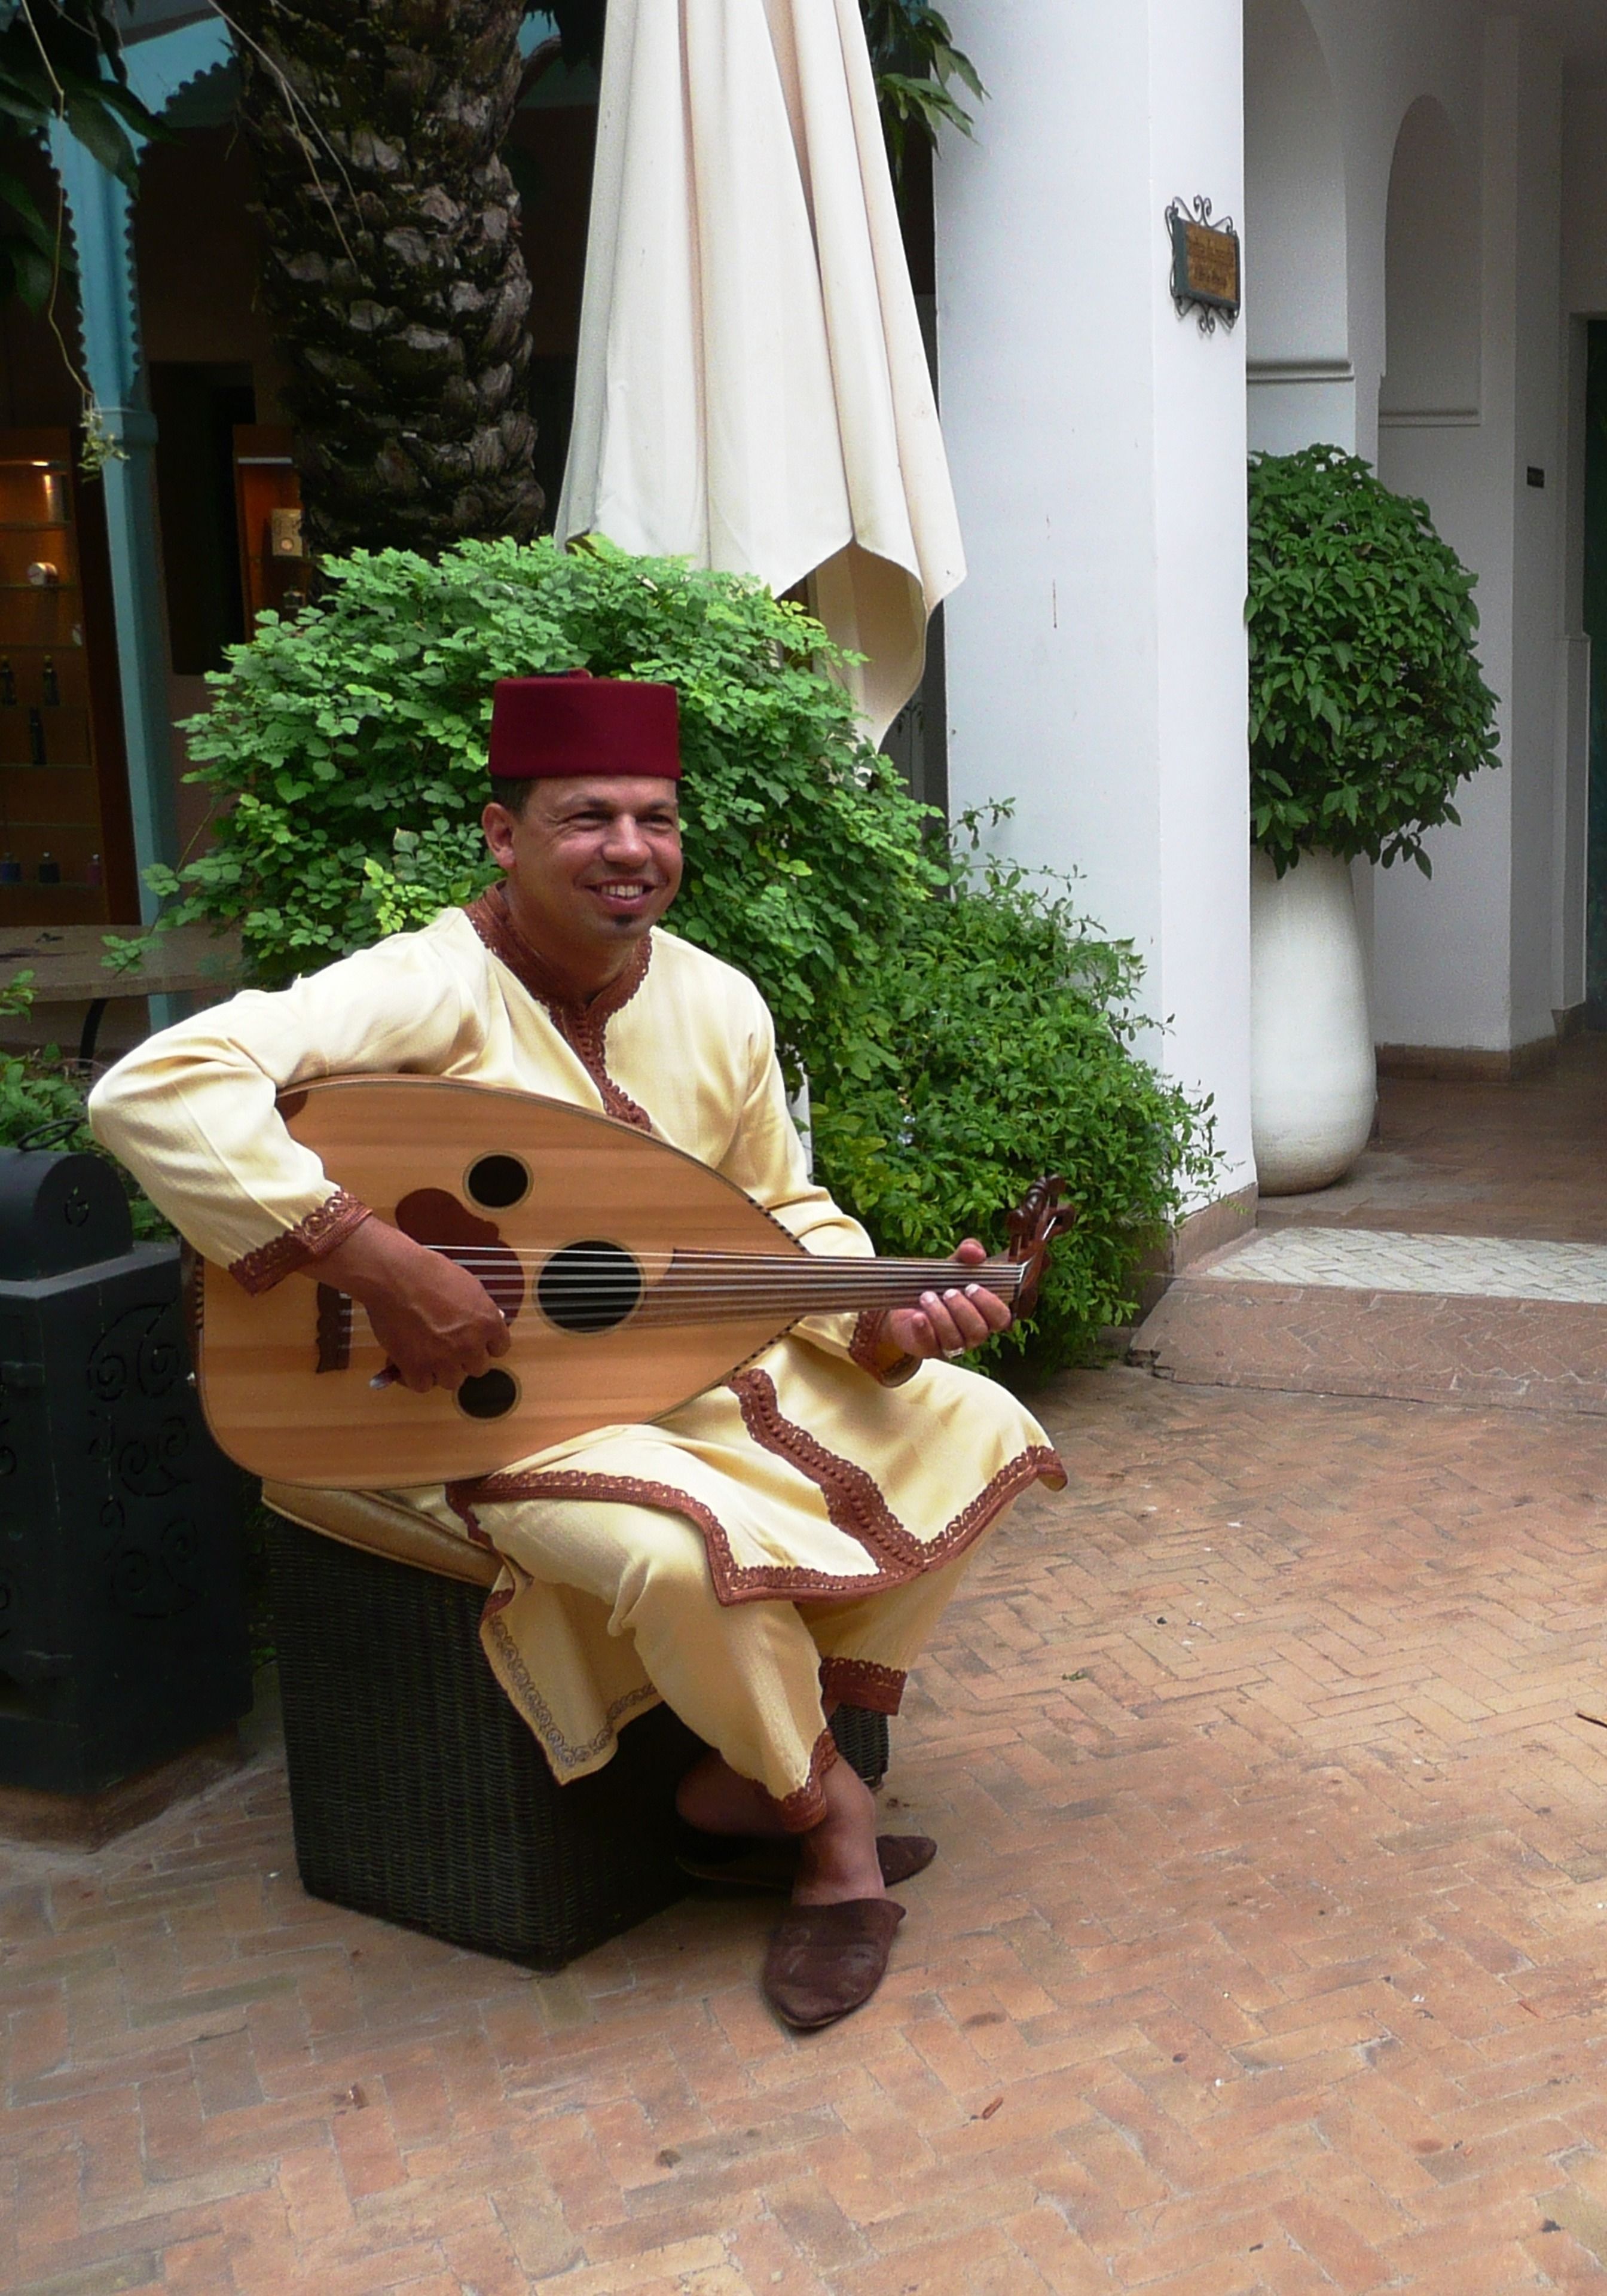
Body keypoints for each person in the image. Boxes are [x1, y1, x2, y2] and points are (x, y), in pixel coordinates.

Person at [89, 671, 1065, 2028]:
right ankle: (828, 1826)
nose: (628, 849)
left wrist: (881, 1313)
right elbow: (153, 1087)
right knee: (682, 1553)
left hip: (665, 1378)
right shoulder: (430, 986)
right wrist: (375, 1258)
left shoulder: (718, 1002)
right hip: (469, 1411)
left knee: (972, 1417)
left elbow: (781, 1216)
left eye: (655, 818)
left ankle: (746, 1775)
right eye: (586, 816)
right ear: (503, 835)